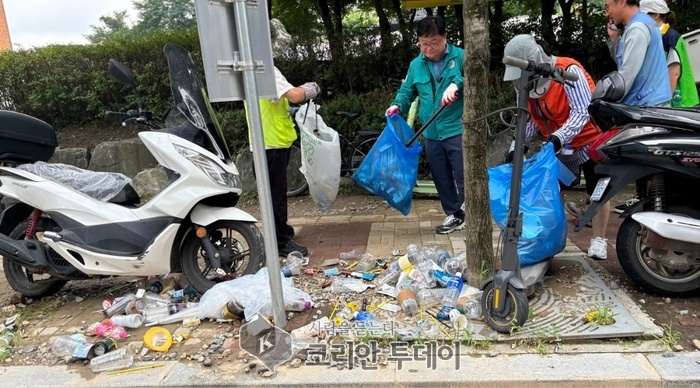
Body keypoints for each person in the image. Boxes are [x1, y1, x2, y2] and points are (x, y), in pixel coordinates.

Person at [502, 34, 612, 260]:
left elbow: (582, 112)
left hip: (590, 140)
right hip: (560, 145)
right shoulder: (529, 87)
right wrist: (518, 145)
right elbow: (532, 119)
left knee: (597, 192)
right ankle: (551, 238)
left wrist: (557, 138)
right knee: (552, 189)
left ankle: (599, 240)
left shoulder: (568, 71)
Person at [245, 19, 319, 256]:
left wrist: (287, 107)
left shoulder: (250, 67)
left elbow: (274, 100)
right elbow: (295, 95)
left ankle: (281, 231)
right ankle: (280, 242)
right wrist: (311, 88)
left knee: (272, 193)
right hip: (271, 143)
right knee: (276, 195)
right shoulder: (266, 69)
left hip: (264, 141)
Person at [386, 15, 465, 234]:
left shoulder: (461, 57)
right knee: (441, 176)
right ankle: (454, 215)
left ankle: (472, 212)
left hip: (457, 127)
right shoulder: (416, 65)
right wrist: (396, 105)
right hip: (431, 131)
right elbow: (406, 91)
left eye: (434, 43)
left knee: (463, 173)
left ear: (445, 38)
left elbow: (475, 82)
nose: (428, 48)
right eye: (423, 44)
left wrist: (458, 84)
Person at [606, 0, 671, 107]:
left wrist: (606, 99)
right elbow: (625, 63)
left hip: (646, 109)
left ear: (622, 2)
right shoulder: (644, 22)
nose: (607, 13)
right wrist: (614, 38)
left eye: (607, 7)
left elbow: (627, 74)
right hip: (652, 103)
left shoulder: (637, 28)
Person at [640, 0, 699, 107]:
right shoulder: (656, 37)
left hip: (680, 103)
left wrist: (665, 105)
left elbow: (673, 74)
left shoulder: (670, 37)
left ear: (656, 15)